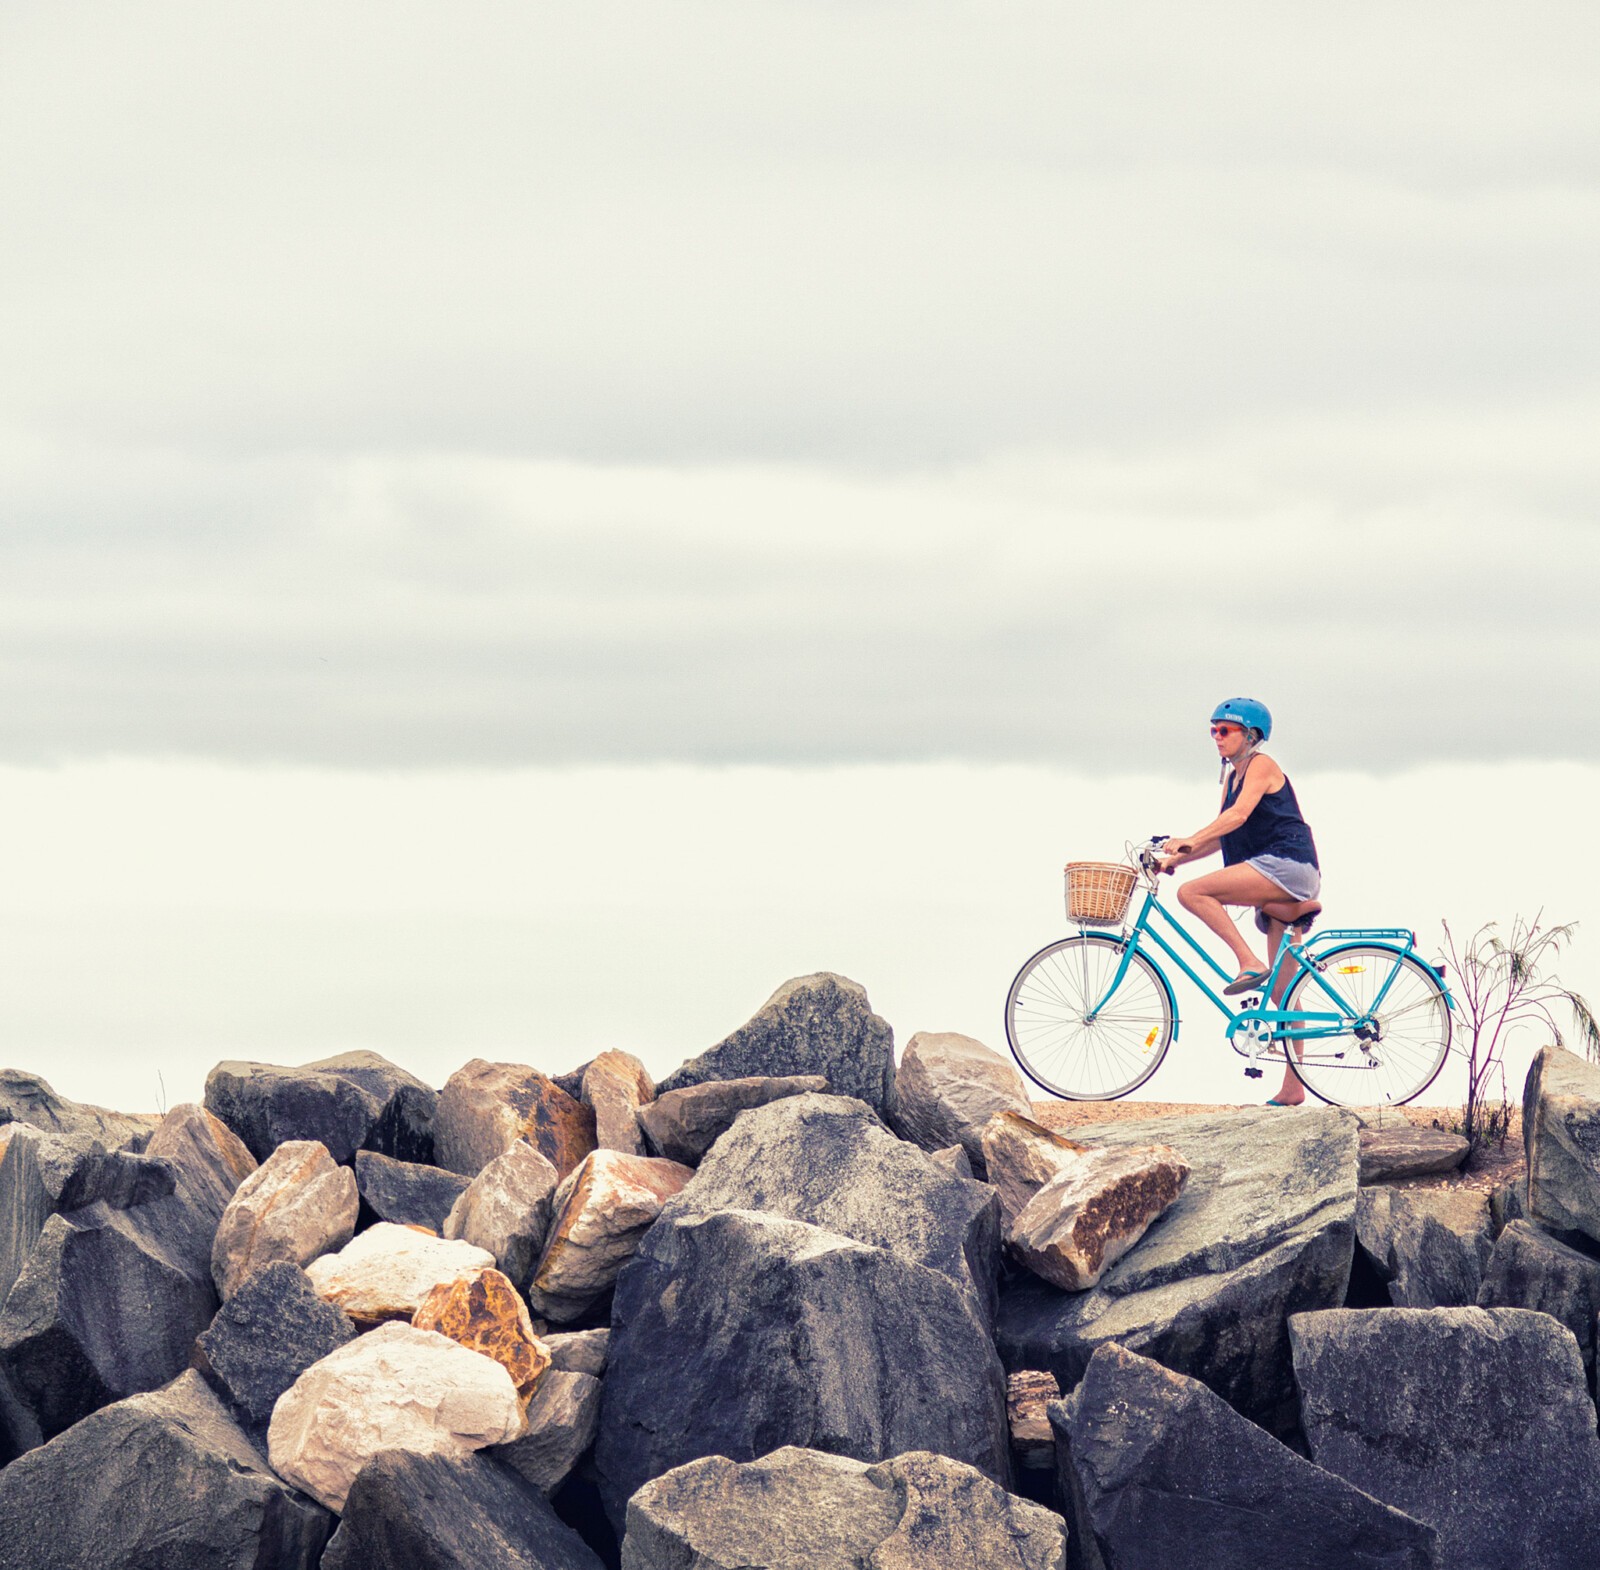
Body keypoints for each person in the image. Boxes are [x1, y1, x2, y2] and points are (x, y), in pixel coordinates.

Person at [1156, 698, 1321, 1106]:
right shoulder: (1231, 778)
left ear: (1251, 735)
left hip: (1287, 865)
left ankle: (1248, 962)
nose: (1216, 737)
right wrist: (1174, 859)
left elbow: (1238, 818)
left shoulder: (1262, 765)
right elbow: (1220, 837)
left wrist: (1187, 838)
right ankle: (1293, 1088)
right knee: (1285, 994)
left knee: (1192, 892)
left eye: (1224, 730)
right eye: (1212, 729)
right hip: (1271, 872)